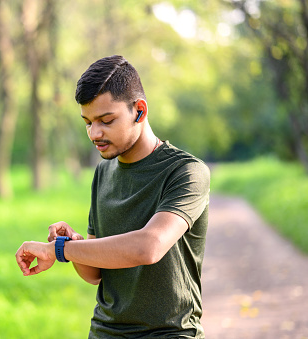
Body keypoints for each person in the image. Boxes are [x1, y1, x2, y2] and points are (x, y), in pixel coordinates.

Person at [15, 55, 210, 338]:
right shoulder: (103, 172)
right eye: (88, 122)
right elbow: (95, 274)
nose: (94, 133)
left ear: (139, 111)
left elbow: (149, 247)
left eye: (106, 120)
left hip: (169, 333)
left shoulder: (186, 171)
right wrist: (74, 245)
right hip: (104, 331)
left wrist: (58, 251)